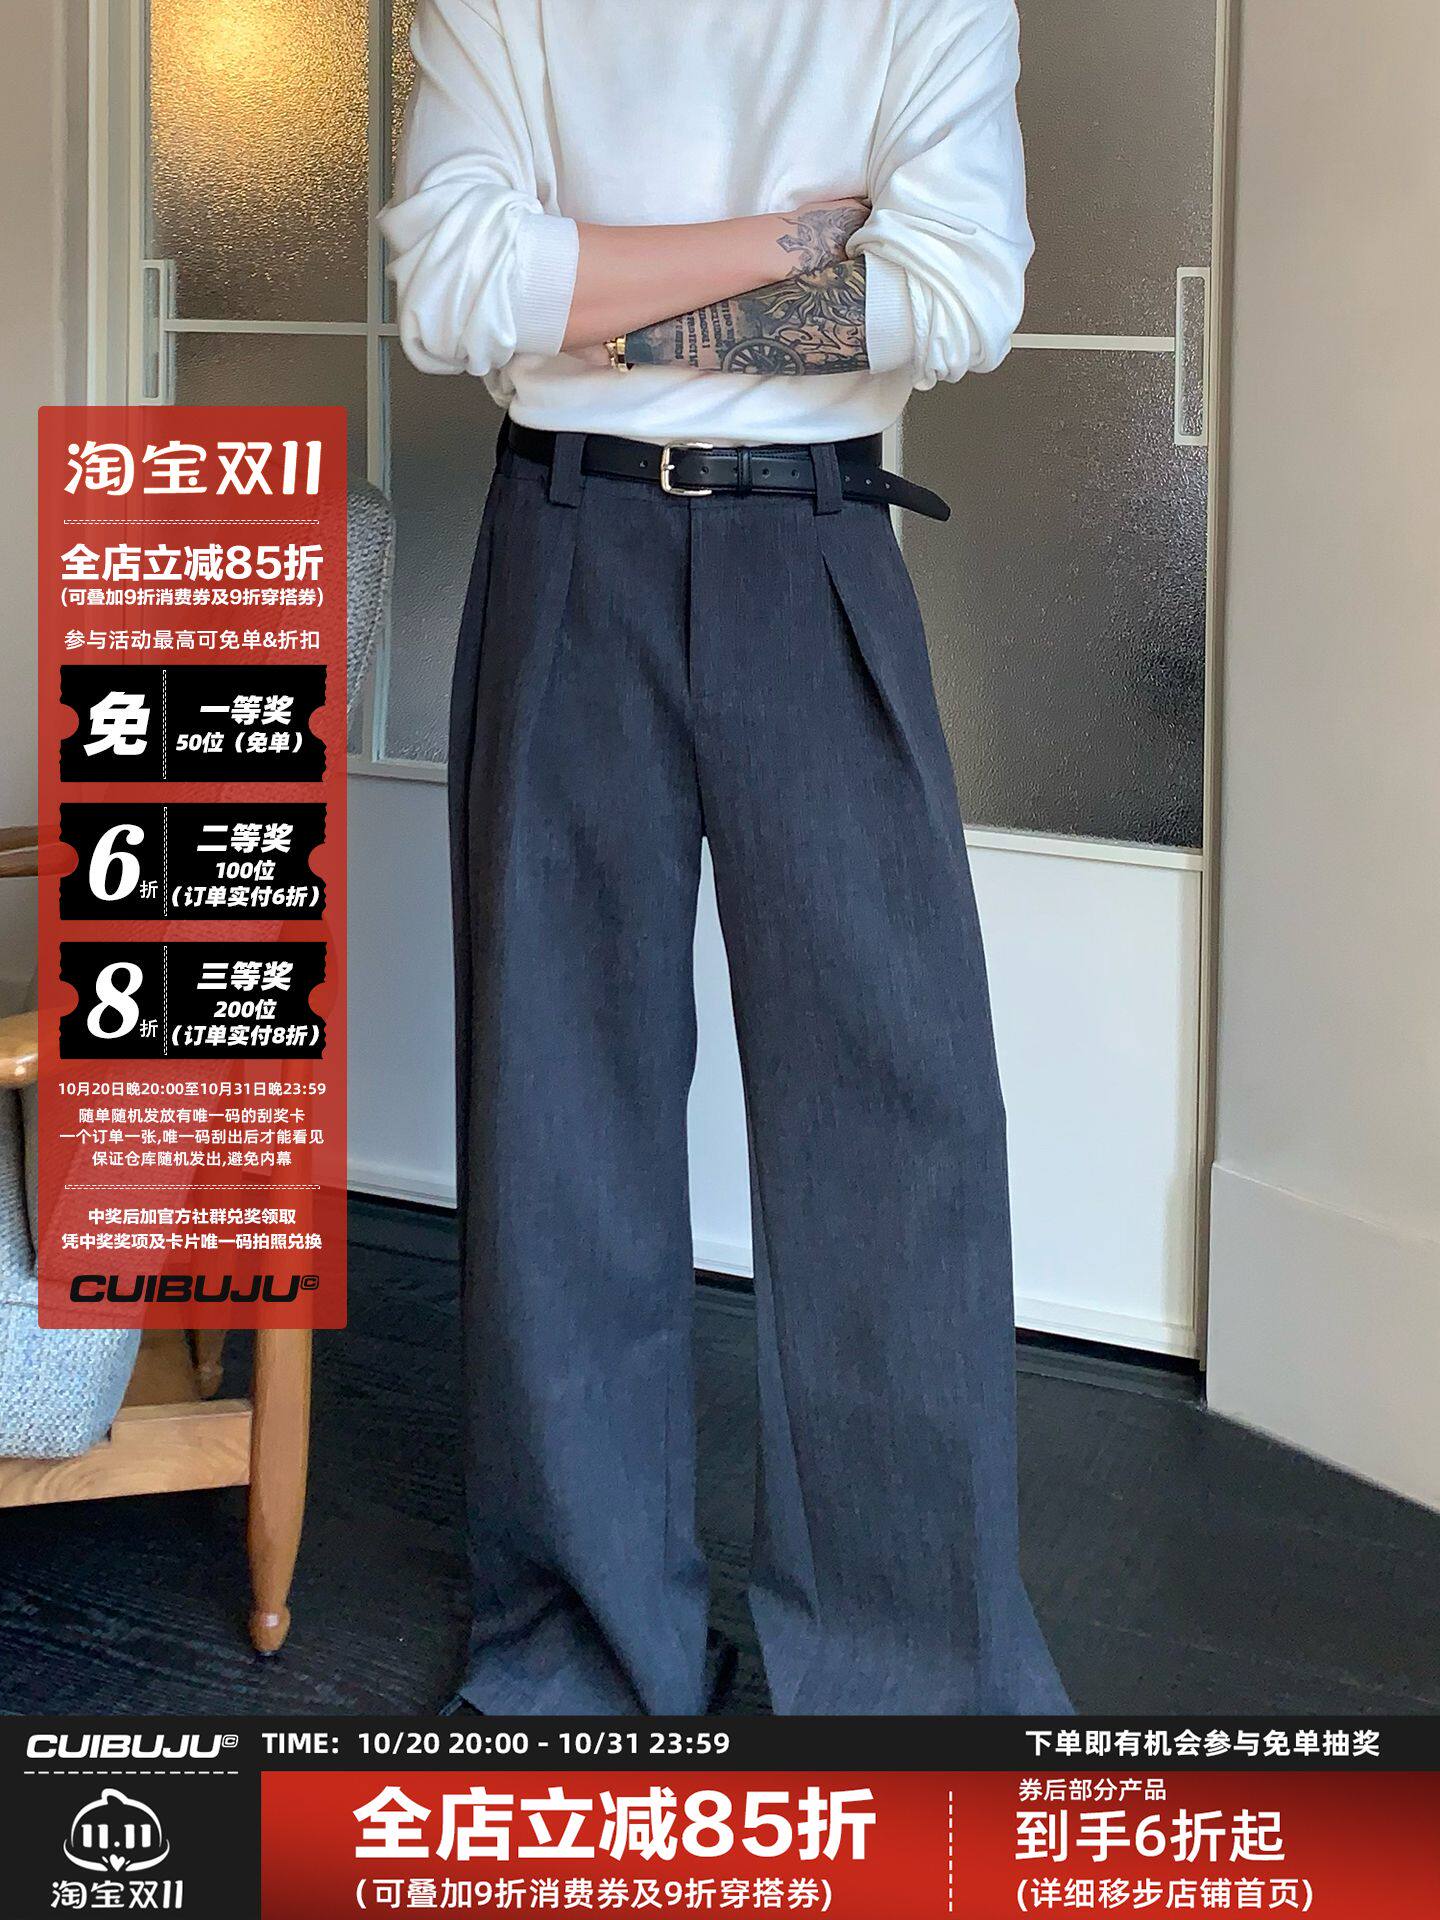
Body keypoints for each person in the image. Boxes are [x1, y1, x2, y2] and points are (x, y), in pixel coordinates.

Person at [380, 0, 1071, 1717]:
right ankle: (582, 1650)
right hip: (566, 536)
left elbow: (956, 293)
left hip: (814, 540)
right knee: (556, 1112)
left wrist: (585, 295)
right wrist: (782, 243)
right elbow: (449, 287)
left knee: (896, 1115)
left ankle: (914, 1677)